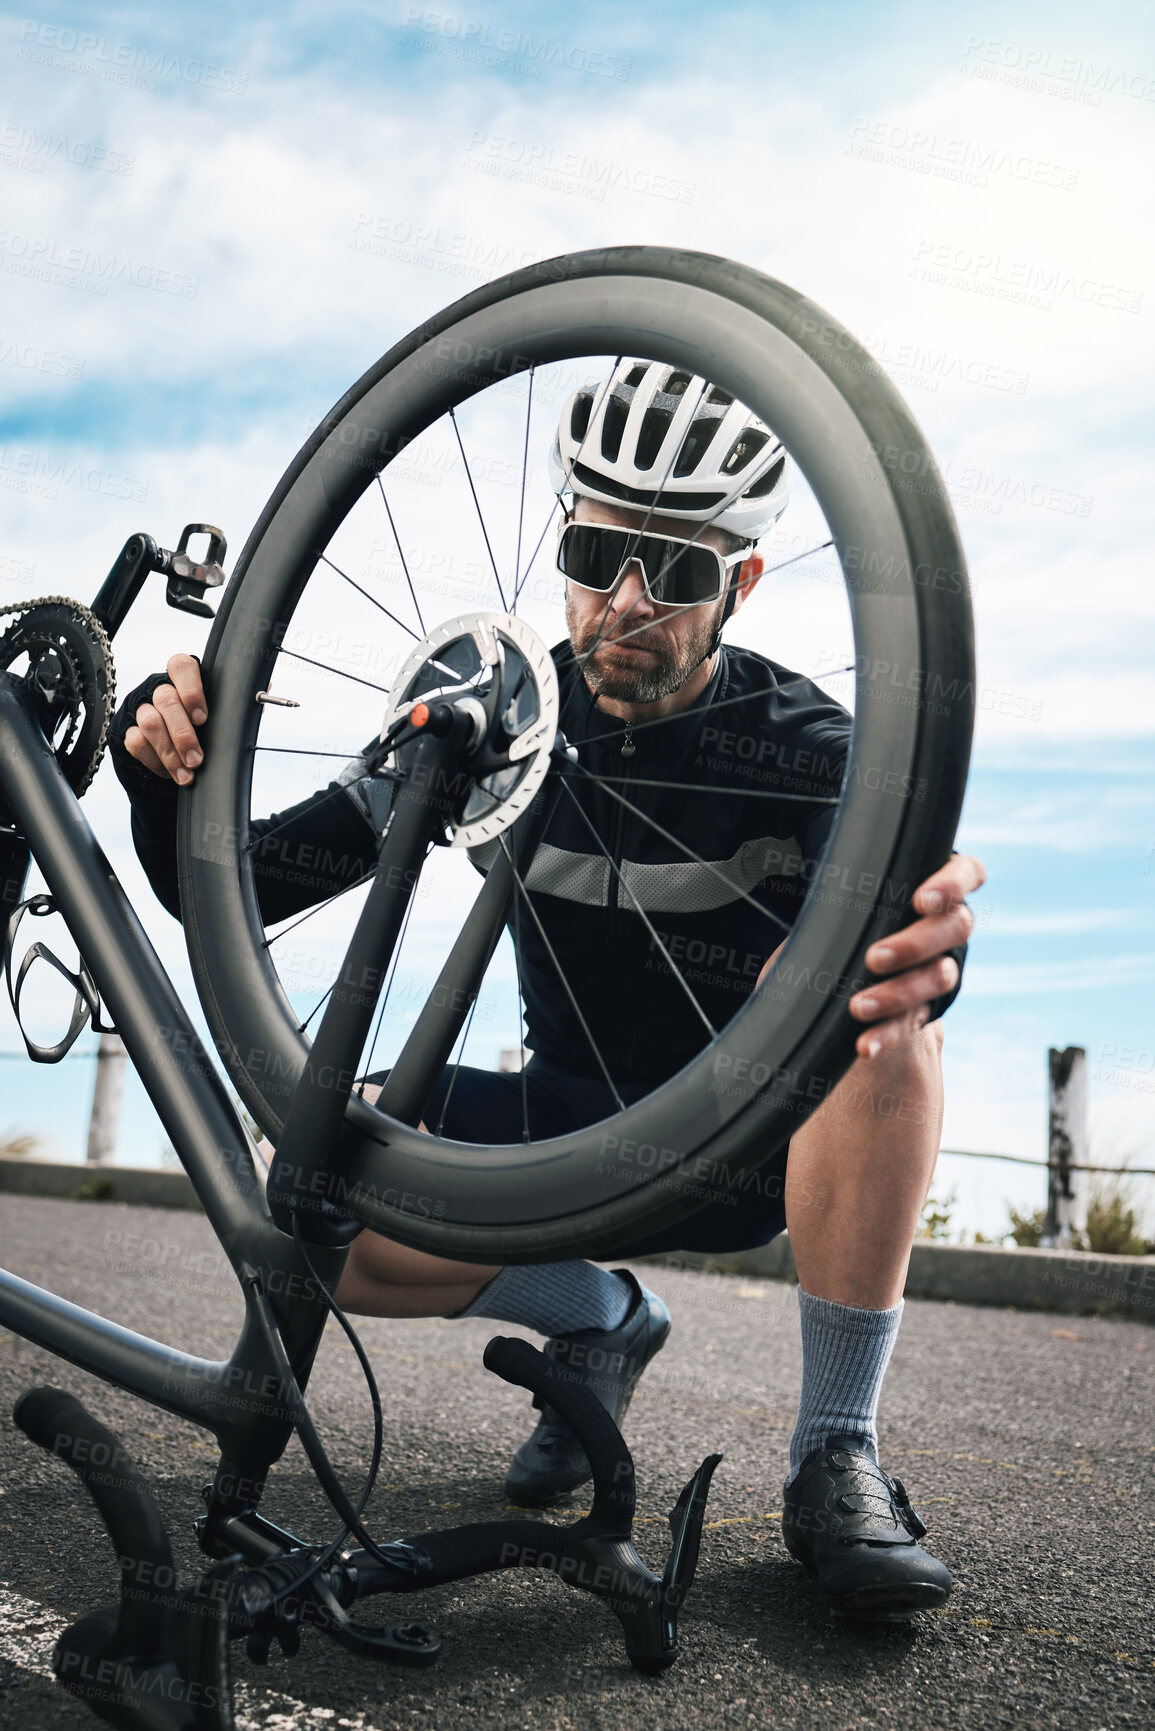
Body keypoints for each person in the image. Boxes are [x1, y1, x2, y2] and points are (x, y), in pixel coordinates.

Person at [110, 361, 985, 1623]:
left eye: (676, 571)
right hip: (561, 1127)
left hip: (749, 1147)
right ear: (561, 540)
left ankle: (836, 1452)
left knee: (887, 1023)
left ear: (738, 583)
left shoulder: (808, 753)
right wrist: (161, 777)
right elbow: (236, 894)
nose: (627, 603)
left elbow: (921, 944)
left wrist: (931, 948)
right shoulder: (491, 716)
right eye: (596, 550)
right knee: (282, 1182)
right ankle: (602, 1318)